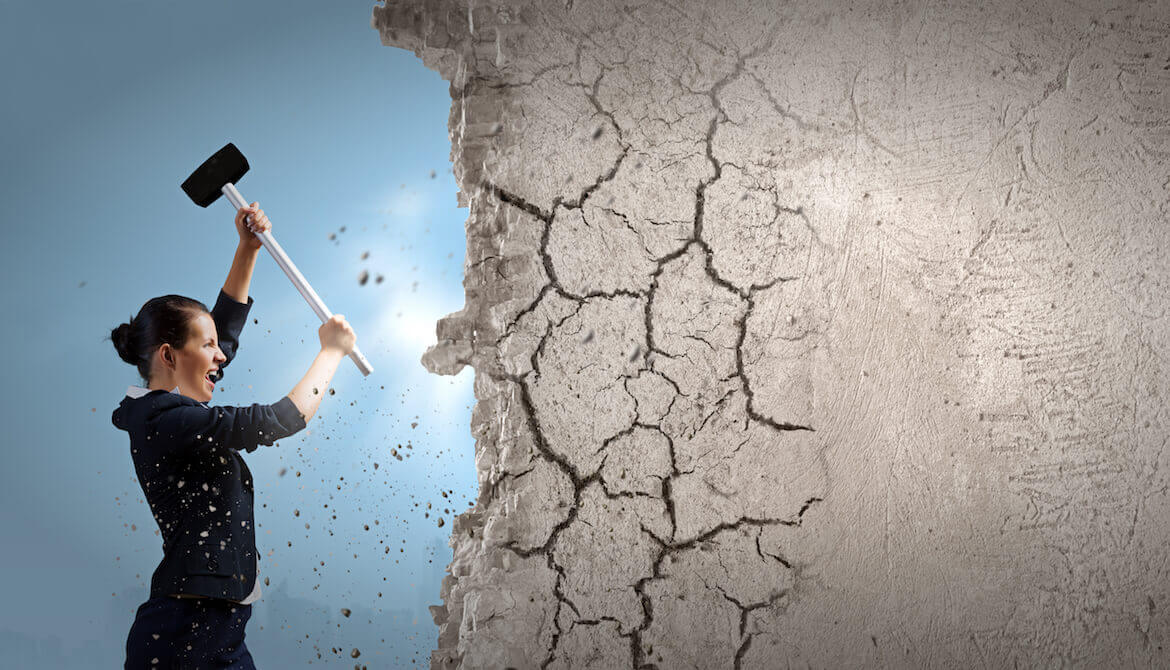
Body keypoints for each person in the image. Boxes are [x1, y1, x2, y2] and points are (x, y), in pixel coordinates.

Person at [109, 202, 357, 669]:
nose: (220, 356)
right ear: (168, 354)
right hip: (186, 631)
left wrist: (248, 249)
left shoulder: (170, 411)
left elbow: (220, 339)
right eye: (205, 347)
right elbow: (278, 419)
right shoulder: (164, 420)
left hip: (215, 625)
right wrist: (332, 354)